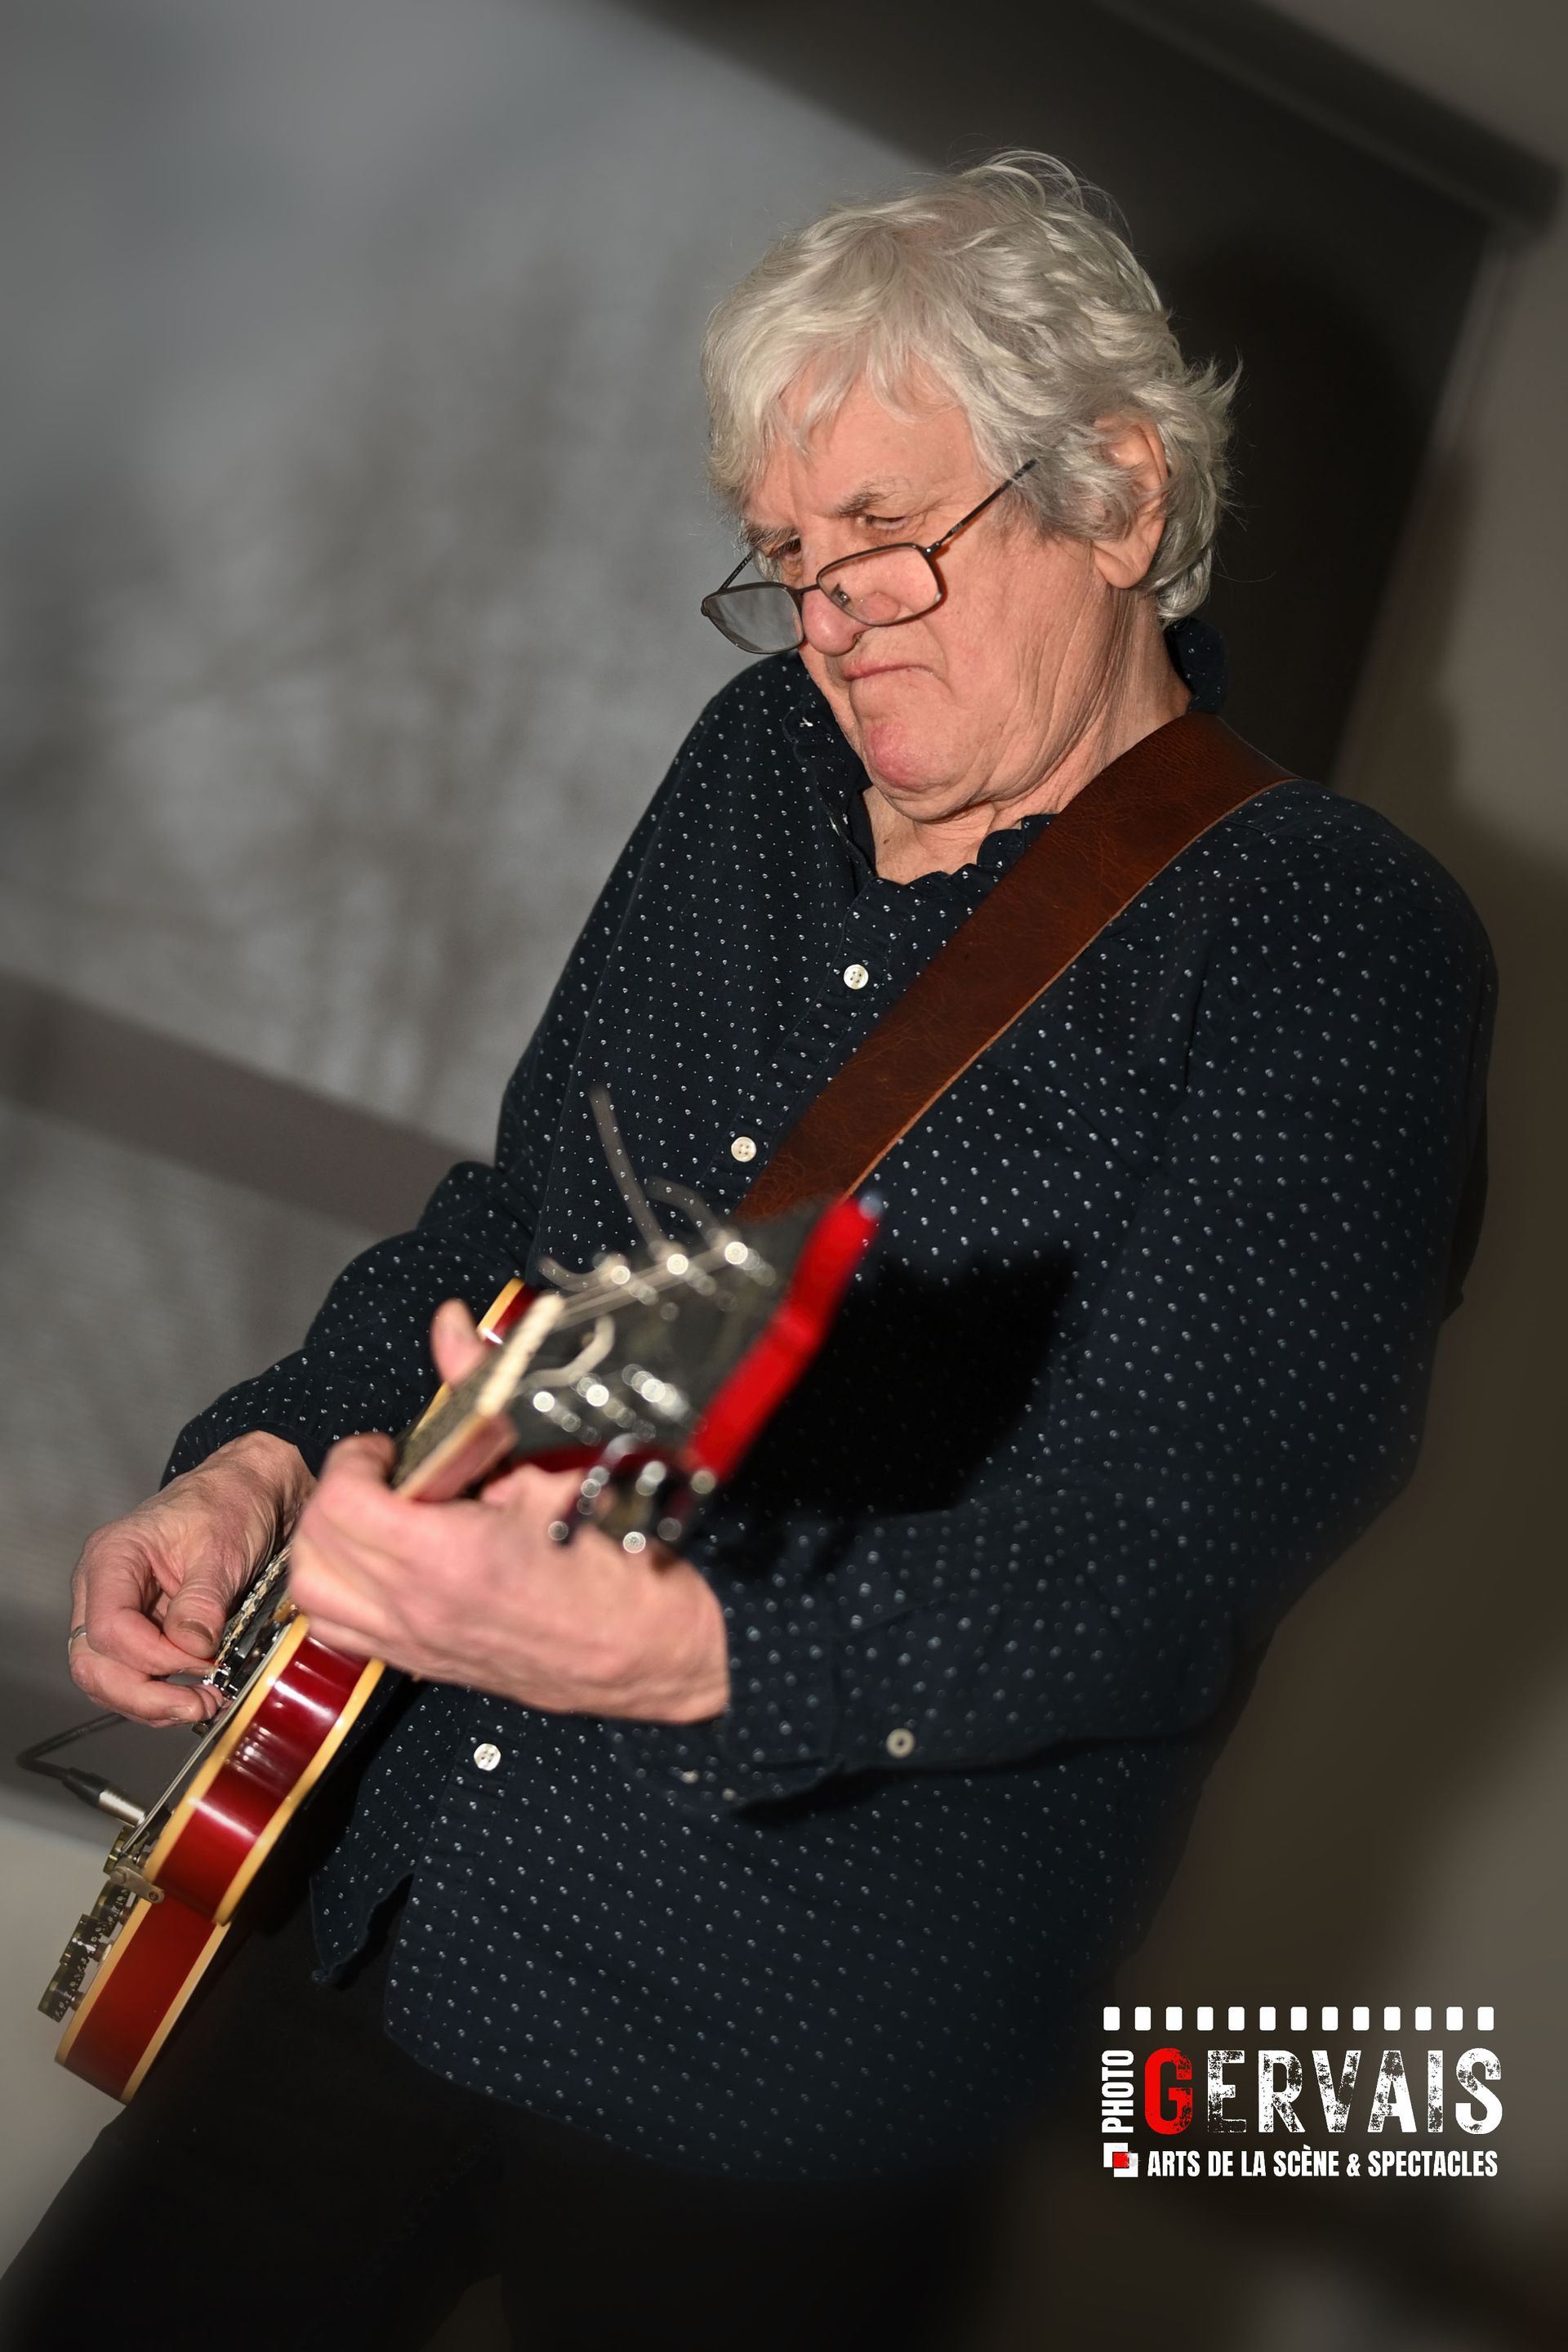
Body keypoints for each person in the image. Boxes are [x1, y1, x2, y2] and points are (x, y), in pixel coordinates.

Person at [3, 154, 1493, 2350]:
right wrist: (257, 1455)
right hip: (399, 1892)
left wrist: (675, 1647)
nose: (823, 621)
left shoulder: (1324, 940)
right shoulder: (751, 768)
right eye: (786, 562)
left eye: (887, 546)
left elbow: (1164, 1558)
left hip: (791, 2075)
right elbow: (521, 1226)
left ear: (1117, 494)